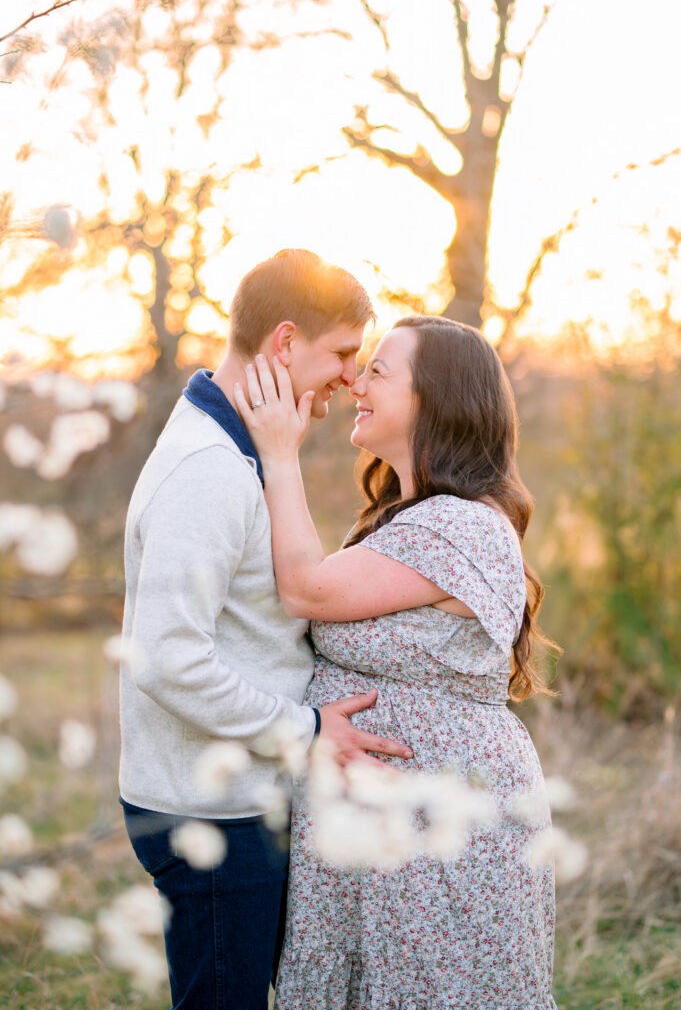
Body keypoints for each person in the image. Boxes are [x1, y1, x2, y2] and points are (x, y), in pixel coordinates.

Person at [118, 249, 414, 1010]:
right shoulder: (209, 470)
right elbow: (165, 657)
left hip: (237, 796)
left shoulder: (237, 452)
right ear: (284, 344)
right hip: (211, 810)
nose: (352, 378)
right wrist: (306, 728)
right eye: (343, 354)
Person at [235, 314, 557, 1009]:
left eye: (378, 369)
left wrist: (279, 452)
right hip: (389, 822)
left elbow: (306, 589)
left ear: (434, 401)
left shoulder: (462, 523)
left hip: (440, 819)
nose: (355, 379)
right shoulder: (406, 519)